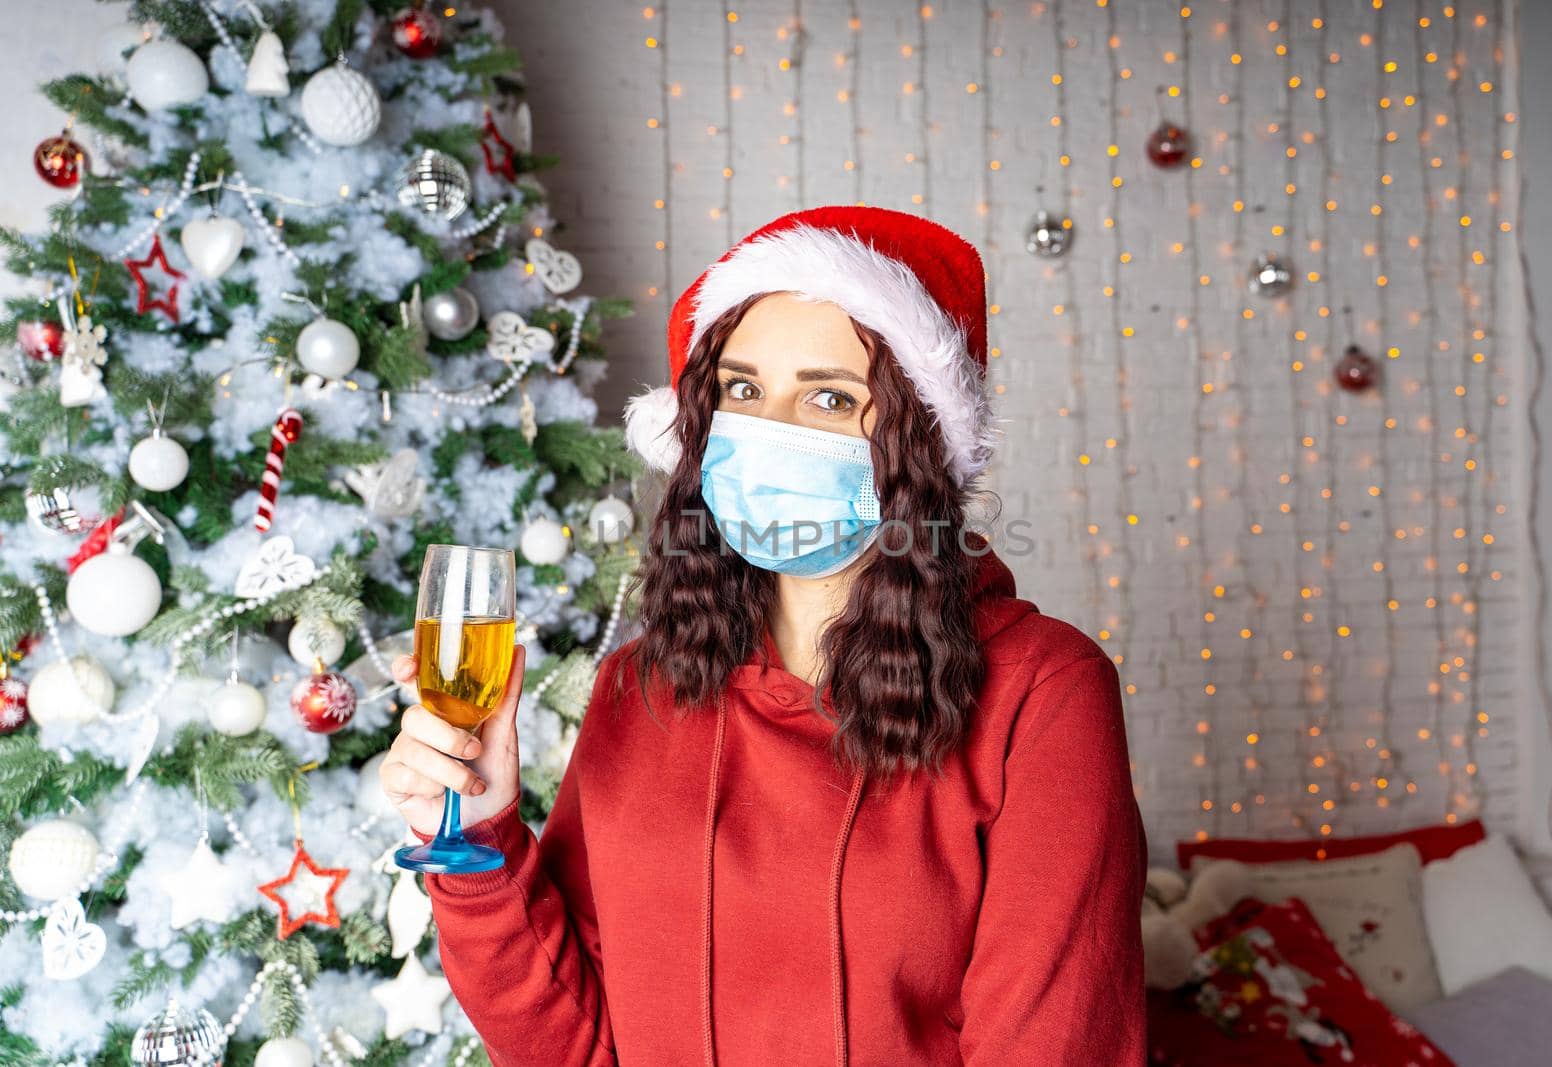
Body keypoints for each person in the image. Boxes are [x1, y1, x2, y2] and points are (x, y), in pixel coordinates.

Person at [380, 205, 1148, 1066]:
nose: (771, 427)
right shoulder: (642, 685)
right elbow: (575, 1042)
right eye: (742, 390)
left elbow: (1053, 1046)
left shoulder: (1042, 693)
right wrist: (480, 835)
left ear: (921, 435)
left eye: (829, 396)